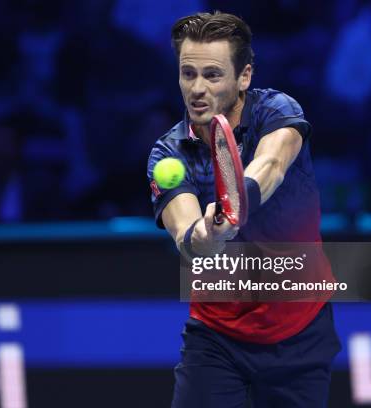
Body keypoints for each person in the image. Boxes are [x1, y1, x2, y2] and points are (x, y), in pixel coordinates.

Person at [147, 12, 341, 407]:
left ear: (244, 76)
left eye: (212, 75)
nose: (196, 88)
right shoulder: (167, 154)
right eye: (188, 73)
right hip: (216, 338)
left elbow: (272, 164)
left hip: (300, 331)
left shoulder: (276, 110)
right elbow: (186, 237)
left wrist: (238, 198)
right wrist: (208, 235)